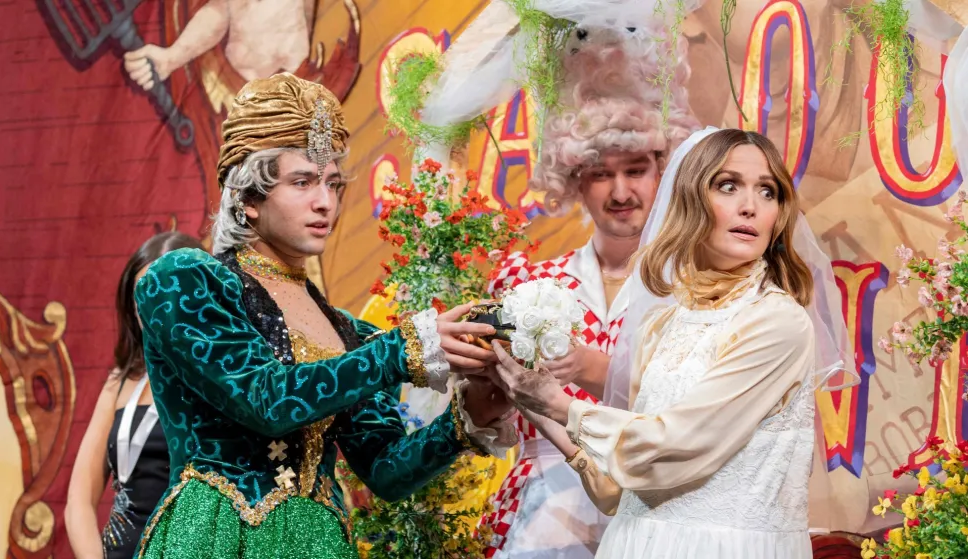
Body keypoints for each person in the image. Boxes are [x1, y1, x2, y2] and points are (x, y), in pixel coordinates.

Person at [132, 72, 516, 558]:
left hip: (320, 541)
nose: (325, 202)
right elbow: (266, 401)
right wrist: (400, 351)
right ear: (249, 198)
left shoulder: (349, 331)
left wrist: (471, 415)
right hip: (218, 536)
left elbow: (386, 471)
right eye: (302, 182)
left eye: (333, 183)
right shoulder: (184, 280)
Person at [489, 128, 854, 558]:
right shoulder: (665, 321)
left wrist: (557, 403)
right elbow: (620, 487)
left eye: (767, 191)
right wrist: (529, 397)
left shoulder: (776, 321)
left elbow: (674, 447)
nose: (750, 206)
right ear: (689, 198)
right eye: (728, 186)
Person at [478, 27, 699, 558]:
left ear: (663, 171)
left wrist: (592, 367)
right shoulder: (525, 284)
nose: (621, 192)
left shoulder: (695, 287)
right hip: (543, 521)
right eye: (601, 174)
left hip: (657, 508)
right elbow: (493, 423)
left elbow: (700, 414)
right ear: (575, 180)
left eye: (636, 170)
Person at [65, 231, 205, 559]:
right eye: (142, 296)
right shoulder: (122, 380)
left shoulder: (228, 379)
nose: (153, 308)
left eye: (165, 293)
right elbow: (78, 502)